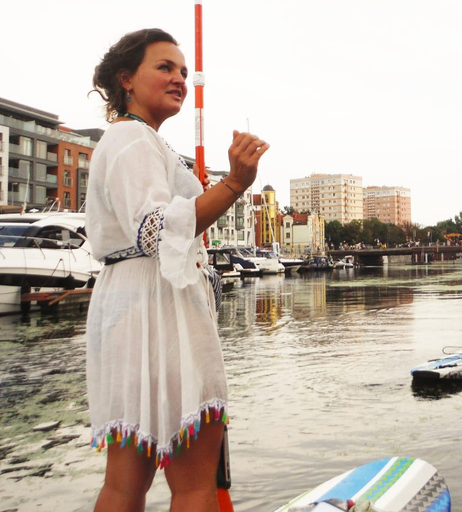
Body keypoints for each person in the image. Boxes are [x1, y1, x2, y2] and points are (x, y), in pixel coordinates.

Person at [86, 28, 269, 512]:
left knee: (126, 480)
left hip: (130, 308)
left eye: (183, 71)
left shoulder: (137, 140)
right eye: (164, 67)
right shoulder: (133, 140)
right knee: (193, 482)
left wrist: (223, 186)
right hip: (157, 304)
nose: (179, 79)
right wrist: (234, 183)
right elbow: (152, 232)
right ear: (126, 78)